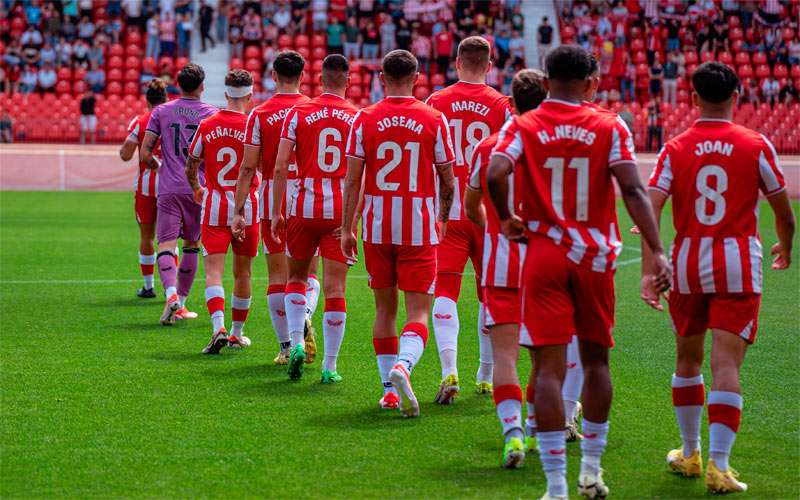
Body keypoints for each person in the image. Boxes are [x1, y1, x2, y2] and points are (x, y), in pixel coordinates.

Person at [487, 45, 671, 499]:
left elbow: (496, 170)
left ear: (546, 82)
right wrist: (657, 251)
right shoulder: (610, 126)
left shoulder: (523, 123)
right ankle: (590, 470)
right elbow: (633, 188)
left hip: (545, 253)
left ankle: (554, 487)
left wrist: (507, 215)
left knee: (546, 369)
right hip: (595, 256)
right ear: (591, 83)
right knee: (595, 362)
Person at [644, 61, 795, 494]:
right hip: (737, 266)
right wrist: (786, 246)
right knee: (726, 364)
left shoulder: (675, 147)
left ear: (692, 98)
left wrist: (656, 256)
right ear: (737, 96)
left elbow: (650, 202)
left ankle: (689, 454)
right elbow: (783, 212)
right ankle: (719, 466)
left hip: (687, 264)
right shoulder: (755, 143)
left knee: (687, 361)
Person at [341, 49, 456, 417]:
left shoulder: (365, 119)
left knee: (384, 308)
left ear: (380, 78)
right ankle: (404, 365)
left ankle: (389, 392)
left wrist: (347, 228)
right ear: (417, 77)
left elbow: (352, 180)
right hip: (418, 227)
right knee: (418, 311)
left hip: (376, 225)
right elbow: (448, 178)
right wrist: (442, 216)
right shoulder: (434, 119)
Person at [464, 68, 547, 468]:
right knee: (545, 358)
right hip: (547, 267)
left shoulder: (488, 147)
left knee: (505, 357)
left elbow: (470, 207)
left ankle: (512, 435)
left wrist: (493, 227)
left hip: (501, 265)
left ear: (509, 104)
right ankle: (537, 426)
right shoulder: (556, 147)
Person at [424, 36, 513, 403]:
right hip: (487, 214)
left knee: (445, 291)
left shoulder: (436, 101)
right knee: (489, 293)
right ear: (489, 66)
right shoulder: (503, 105)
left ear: (457, 62)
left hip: (449, 211)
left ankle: (449, 371)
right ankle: (486, 375)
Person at [262, 54, 358, 382]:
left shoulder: (298, 113)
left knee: (295, 279)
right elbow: (361, 174)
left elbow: (278, 166)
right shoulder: (355, 117)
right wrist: (353, 220)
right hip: (338, 214)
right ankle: (330, 367)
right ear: (348, 81)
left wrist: (276, 211)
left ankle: (296, 343)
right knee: (335, 290)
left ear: (318, 79)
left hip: (302, 208)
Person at [234, 51, 320, 366]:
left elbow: (247, 167)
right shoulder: (314, 110)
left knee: (277, 275)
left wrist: (239, 208)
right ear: (303, 75)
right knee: (308, 272)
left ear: (273, 76)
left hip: (273, 196)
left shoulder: (259, 114)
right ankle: (306, 315)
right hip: (309, 196)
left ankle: (286, 346)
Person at [183, 69, 258, 354]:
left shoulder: (208, 124)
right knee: (244, 273)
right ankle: (237, 333)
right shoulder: (254, 125)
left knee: (214, 272)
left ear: (226, 94)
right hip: (248, 206)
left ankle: (218, 328)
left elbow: (191, 163)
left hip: (215, 205)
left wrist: (196, 187)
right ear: (250, 95)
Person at [140, 63, 218, 326]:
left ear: (178, 84)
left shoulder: (161, 111)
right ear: (202, 86)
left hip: (169, 188)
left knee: (165, 244)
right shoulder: (211, 113)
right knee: (192, 245)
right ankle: (181, 303)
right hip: (198, 188)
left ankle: (170, 294)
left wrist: (159, 167)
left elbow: (144, 153)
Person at [119, 79, 168, 299]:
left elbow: (125, 154)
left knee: (147, 236)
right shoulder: (174, 117)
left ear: (147, 100)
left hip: (147, 187)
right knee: (169, 237)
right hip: (171, 185)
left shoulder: (140, 121)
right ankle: (171, 289)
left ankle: (148, 287)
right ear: (165, 99)